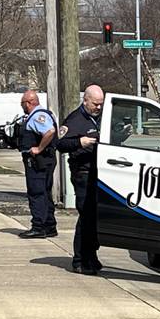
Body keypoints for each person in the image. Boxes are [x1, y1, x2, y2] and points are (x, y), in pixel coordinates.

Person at [57, 84, 104, 274]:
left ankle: (91, 257)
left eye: (101, 104)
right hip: (83, 174)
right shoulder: (75, 120)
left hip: (100, 174)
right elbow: (59, 143)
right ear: (85, 101)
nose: (98, 108)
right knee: (85, 216)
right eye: (95, 104)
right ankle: (80, 260)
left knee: (94, 218)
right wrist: (79, 142)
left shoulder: (102, 117)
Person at [17, 90, 58, 239]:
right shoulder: (44, 114)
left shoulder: (38, 116)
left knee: (36, 192)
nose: (22, 106)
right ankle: (49, 225)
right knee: (45, 192)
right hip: (46, 160)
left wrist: (39, 148)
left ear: (28, 103)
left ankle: (38, 226)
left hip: (37, 161)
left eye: (22, 103)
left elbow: (49, 131)